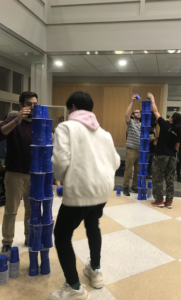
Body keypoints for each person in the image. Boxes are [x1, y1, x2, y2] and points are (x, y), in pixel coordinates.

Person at [49, 91, 120, 300]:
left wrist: (61, 179)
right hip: (102, 192)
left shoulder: (65, 127)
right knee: (92, 225)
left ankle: (74, 288)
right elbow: (115, 162)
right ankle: (95, 270)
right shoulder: (104, 133)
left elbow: (60, 161)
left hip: (80, 192)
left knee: (62, 236)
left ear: (71, 107)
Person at [0, 91, 38, 256]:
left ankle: (29, 237)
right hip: (15, 174)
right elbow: (1, 133)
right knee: (11, 211)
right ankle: (7, 242)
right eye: (29, 104)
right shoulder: (13, 120)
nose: (32, 107)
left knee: (31, 210)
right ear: (21, 105)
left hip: (34, 174)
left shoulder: (37, 122)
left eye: (35, 104)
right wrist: (17, 120)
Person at [148, 92, 181, 209]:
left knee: (157, 178)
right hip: (172, 157)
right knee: (170, 179)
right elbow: (177, 147)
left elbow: (155, 111)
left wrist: (152, 98)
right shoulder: (179, 131)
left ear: (172, 118)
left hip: (161, 156)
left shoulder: (165, 125)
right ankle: (168, 202)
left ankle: (158, 200)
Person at [123, 94, 141, 196]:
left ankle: (134, 187)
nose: (138, 113)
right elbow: (126, 115)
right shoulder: (130, 123)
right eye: (136, 112)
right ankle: (125, 187)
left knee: (137, 171)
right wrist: (132, 102)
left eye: (139, 112)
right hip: (131, 150)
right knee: (128, 171)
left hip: (139, 151)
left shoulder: (143, 124)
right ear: (133, 115)